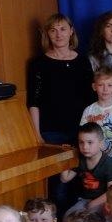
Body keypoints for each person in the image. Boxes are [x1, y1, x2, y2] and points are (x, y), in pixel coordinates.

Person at [27, 14, 94, 145]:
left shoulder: (83, 61)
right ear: (47, 34)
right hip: (50, 132)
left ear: (71, 31)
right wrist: (37, 135)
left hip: (81, 129)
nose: (59, 35)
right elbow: (34, 102)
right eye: (53, 30)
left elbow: (91, 97)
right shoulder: (38, 64)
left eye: (63, 29)